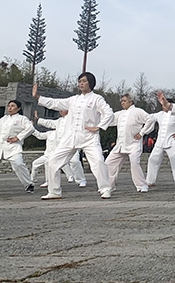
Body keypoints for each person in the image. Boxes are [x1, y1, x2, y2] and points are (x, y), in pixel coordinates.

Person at [34, 72, 115, 200]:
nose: (81, 84)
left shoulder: (97, 99)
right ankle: (54, 191)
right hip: (71, 137)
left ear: (91, 83)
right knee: (52, 161)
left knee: (98, 161)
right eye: (79, 81)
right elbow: (55, 103)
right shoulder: (73, 99)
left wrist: (99, 126)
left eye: (84, 81)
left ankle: (105, 189)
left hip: (89, 137)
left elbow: (109, 113)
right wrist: (38, 98)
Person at [105, 94, 154, 193]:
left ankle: (141, 185)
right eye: (121, 101)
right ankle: (109, 185)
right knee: (108, 163)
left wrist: (142, 133)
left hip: (133, 144)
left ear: (131, 102)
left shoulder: (138, 111)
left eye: (124, 101)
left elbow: (151, 119)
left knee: (135, 163)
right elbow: (109, 120)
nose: (122, 103)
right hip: (120, 145)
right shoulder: (120, 114)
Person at [34, 111, 87, 187]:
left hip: (72, 145)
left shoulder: (74, 119)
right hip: (60, 146)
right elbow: (49, 123)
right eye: (60, 110)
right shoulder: (59, 121)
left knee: (75, 161)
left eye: (63, 109)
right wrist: (39, 119)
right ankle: (49, 181)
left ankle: (81, 180)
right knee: (49, 162)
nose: (61, 111)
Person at [145, 109, 175, 188]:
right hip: (159, 142)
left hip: (171, 142)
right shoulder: (160, 114)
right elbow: (150, 117)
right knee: (152, 159)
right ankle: (150, 181)